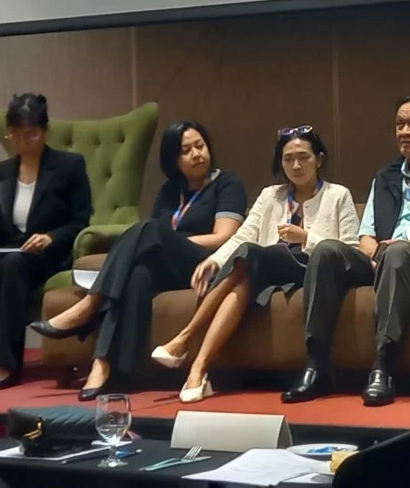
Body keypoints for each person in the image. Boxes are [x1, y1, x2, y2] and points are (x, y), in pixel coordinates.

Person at [282, 94, 410, 406]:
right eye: (399, 124)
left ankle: (384, 368)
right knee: (326, 250)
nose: (404, 131)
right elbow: (365, 235)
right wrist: (373, 251)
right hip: (386, 258)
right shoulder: (385, 177)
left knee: (398, 252)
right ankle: (316, 366)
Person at [29, 121, 245, 400]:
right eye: (186, 150)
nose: (196, 154)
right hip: (171, 265)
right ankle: (107, 365)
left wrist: (169, 241)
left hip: (207, 262)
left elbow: (223, 236)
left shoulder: (227, 183)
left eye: (200, 146)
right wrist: (164, 242)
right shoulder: (170, 190)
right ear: (173, 159)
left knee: (149, 229)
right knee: (138, 274)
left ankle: (90, 304)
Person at [149, 126, 360, 403]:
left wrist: (307, 237)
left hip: (309, 270)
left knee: (251, 254)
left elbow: (351, 251)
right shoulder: (270, 195)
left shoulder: (338, 195)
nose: (296, 165)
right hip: (265, 267)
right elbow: (244, 235)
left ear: (319, 160)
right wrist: (214, 260)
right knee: (245, 273)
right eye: (288, 159)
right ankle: (198, 370)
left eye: (303, 157)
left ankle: (184, 338)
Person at [0, 94, 92, 392]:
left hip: (47, 254)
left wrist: (51, 237)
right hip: (9, 249)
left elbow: (80, 220)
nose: (23, 141)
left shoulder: (69, 166)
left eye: (30, 134)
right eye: (16, 135)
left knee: (12, 263)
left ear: (44, 131)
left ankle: (7, 363)